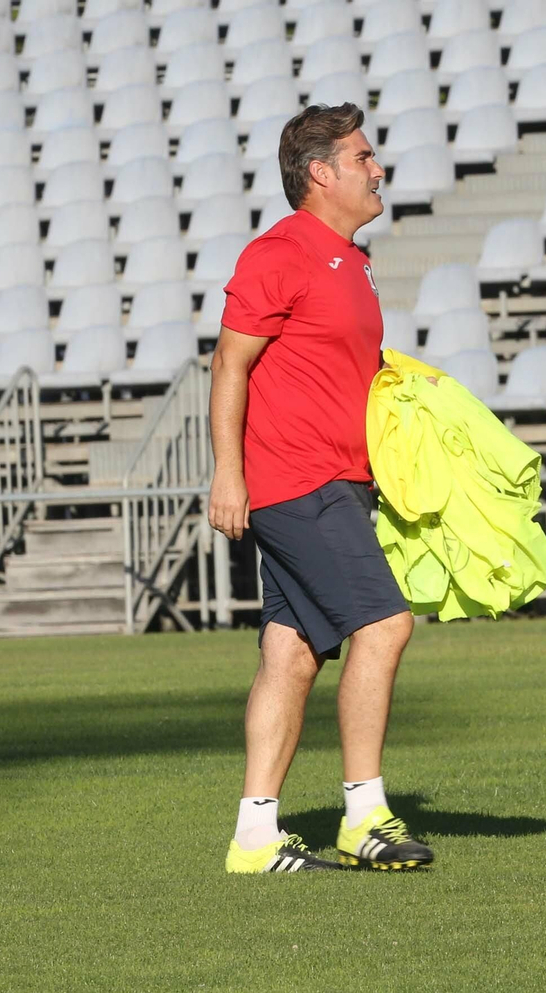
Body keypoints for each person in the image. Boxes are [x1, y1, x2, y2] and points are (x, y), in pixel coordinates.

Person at [210, 103, 433, 874]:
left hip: (336, 478)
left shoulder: (352, 259)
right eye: (364, 156)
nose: (378, 169)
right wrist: (227, 473)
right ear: (320, 173)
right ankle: (363, 813)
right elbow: (228, 363)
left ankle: (254, 836)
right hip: (298, 480)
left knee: (292, 653)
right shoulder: (280, 252)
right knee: (385, 626)